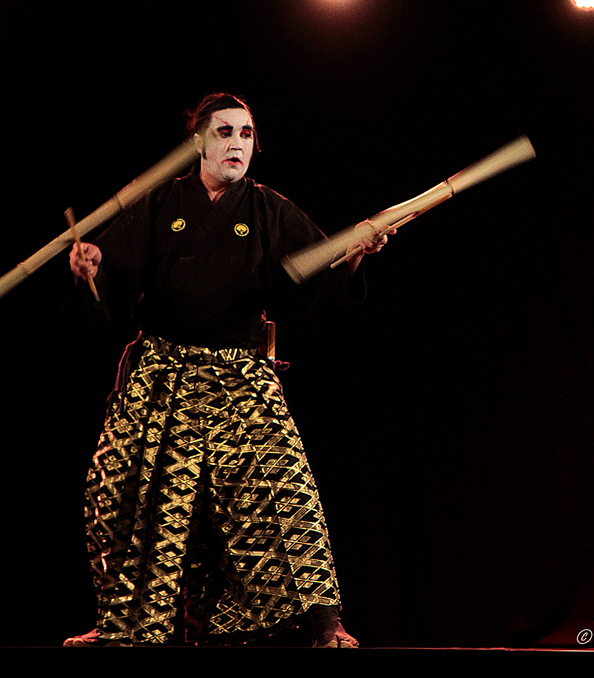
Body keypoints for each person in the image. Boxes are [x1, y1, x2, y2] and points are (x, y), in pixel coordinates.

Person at [63, 93, 386, 647]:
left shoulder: (270, 210)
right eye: (224, 132)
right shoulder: (161, 202)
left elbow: (310, 278)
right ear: (199, 143)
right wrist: (90, 269)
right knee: (123, 491)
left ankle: (324, 626)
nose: (237, 143)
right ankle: (120, 625)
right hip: (164, 375)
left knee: (286, 492)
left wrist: (354, 255)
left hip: (240, 375)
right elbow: (112, 279)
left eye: (246, 133)